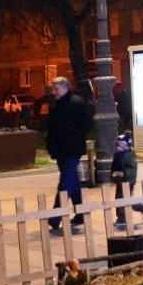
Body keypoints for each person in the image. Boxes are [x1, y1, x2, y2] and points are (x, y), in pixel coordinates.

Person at [44, 76, 93, 234]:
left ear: (64, 88)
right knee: (72, 181)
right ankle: (80, 213)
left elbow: (87, 124)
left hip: (72, 149)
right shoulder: (58, 104)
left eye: (55, 89)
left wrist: (72, 138)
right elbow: (53, 127)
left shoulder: (76, 102)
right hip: (60, 150)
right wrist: (51, 144)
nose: (53, 92)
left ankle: (56, 216)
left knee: (65, 182)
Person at [111, 131, 141, 227]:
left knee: (126, 200)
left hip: (128, 182)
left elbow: (132, 169)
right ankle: (120, 217)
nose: (115, 148)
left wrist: (124, 173)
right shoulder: (118, 156)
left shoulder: (129, 156)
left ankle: (124, 217)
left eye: (117, 146)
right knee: (119, 199)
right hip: (120, 182)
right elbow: (114, 168)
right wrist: (113, 176)